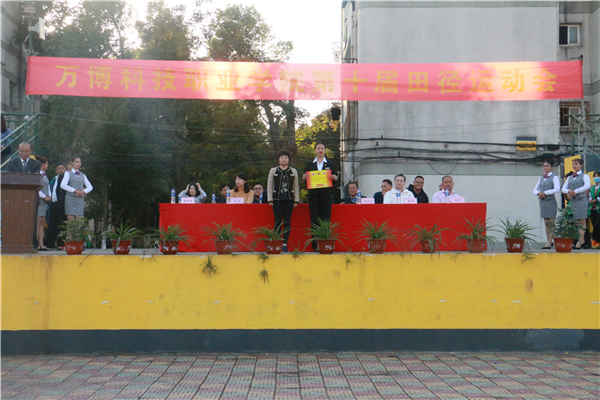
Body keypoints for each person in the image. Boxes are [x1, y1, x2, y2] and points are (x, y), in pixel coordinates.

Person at [302, 142, 339, 249]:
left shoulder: (330, 163)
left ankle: (325, 243)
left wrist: (335, 178)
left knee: (326, 219)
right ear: (315, 151)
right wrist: (304, 178)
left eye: (322, 148)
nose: (320, 150)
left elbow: (335, 179)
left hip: (326, 195)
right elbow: (305, 181)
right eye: (318, 148)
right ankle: (315, 245)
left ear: (325, 150)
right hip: (313, 195)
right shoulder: (310, 164)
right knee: (314, 219)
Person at [267, 150, 300, 251]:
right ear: (278, 160)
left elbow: (296, 186)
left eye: (286, 157)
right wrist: (270, 199)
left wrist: (296, 200)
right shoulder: (273, 171)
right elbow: (269, 185)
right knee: (277, 221)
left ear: (289, 159)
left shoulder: (293, 171)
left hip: (289, 200)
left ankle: (284, 243)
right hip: (277, 200)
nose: (284, 159)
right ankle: (277, 241)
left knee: (287, 222)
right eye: (282, 157)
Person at [561, 158, 590, 249]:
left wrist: (576, 191)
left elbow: (587, 185)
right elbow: (563, 188)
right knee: (577, 221)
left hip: (581, 200)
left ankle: (579, 241)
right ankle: (582, 240)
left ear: (581, 165)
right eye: (573, 164)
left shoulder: (584, 175)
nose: (574, 166)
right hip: (574, 201)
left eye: (576, 164)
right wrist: (569, 191)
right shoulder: (570, 177)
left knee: (582, 220)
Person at [533, 160, 561, 249]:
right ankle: (548, 240)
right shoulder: (541, 178)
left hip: (550, 201)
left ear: (551, 167)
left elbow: (557, 189)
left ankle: (549, 241)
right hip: (543, 202)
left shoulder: (554, 177)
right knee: (546, 222)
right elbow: (534, 189)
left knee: (551, 222)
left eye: (547, 166)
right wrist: (538, 193)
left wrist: (545, 193)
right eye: (544, 166)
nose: (545, 167)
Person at [60, 156, 93, 220]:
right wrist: (75, 190)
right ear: (72, 163)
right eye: (76, 162)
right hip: (70, 199)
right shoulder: (68, 173)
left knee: (80, 220)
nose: (78, 164)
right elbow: (63, 185)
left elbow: (90, 187)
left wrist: (83, 192)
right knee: (71, 221)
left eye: (79, 162)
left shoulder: (83, 175)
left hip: (80, 199)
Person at [46, 163, 67, 249]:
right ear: (56, 170)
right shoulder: (53, 179)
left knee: (61, 223)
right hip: (53, 203)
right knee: (52, 223)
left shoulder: (66, 178)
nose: (60, 170)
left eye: (62, 168)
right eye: (59, 168)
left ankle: (60, 244)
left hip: (62, 203)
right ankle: (49, 243)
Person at [34, 157, 51, 251]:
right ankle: (36, 244)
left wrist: (49, 196)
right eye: (46, 164)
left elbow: (48, 187)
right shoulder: (37, 174)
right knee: (37, 222)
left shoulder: (44, 175)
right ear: (42, 164)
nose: (47, 166)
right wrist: (44, 196)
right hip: (39, 200)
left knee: (41, 223)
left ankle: (41, 244)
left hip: (44, 201)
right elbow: (37, 188)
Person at [589, 171, 600, 249]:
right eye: (595, 176)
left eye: (598, 176)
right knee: (594, 225)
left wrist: (596, 200)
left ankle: (597, 240)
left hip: (599, 209)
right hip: (592, 209)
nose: (596, 177)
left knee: (597, 225)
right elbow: (589, 195)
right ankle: (595, 241)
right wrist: (590, 200)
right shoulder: (592, 187)